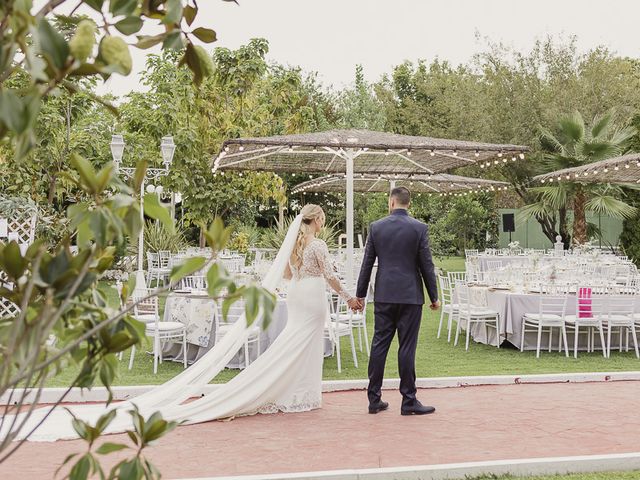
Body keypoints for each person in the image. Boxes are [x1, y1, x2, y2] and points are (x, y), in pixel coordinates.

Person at [5, 204, 356, 442]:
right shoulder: (319, 246)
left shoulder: (295, 246)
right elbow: (329, 277)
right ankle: (303, 394)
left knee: (292, 344)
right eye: (322, 220)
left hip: (297, 296)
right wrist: (347, 297)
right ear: (318, 221)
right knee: (301, 346)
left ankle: (298, 392)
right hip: (312, 298)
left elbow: (289, 276)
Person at [355, 186, 440, 416]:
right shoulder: (419, 228)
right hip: (411, 296)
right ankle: (408, 400)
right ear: (407, 204)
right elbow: (426, 265)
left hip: (384, 295)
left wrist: (360, 294)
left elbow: (367, 264)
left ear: (391, 202)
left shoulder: (376, 227)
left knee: (379, 345)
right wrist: (434, 296)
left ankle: (374, 400)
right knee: (407, 347)